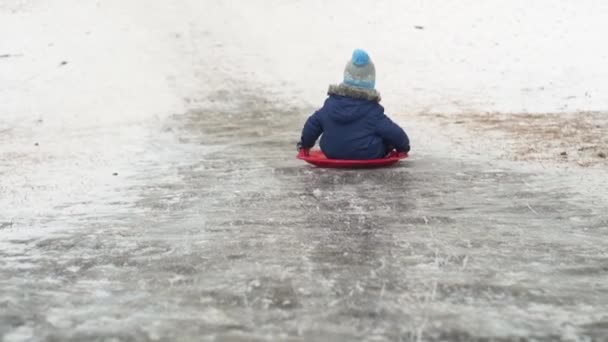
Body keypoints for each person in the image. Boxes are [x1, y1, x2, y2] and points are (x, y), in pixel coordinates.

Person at [297, 49, 410, 160]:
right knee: (385, 141)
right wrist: (403, 147)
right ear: (370, 81)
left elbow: (312, 125)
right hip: (366, 154)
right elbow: (393, 132)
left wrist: (305, 146)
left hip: (332, 151)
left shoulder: (330, 105)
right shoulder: (372, 110)